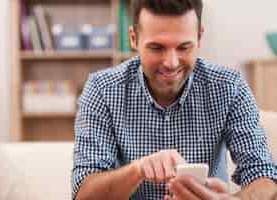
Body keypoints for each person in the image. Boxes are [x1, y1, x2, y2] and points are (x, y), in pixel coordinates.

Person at [72, 0, 277, 199]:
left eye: (184, 47)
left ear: (199, 37)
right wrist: (137, 170)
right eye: (157, 48)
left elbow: (264, 177)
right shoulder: (102, 90)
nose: (171, 63)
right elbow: (83, 194)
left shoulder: (230, 87)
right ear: (134, 39)